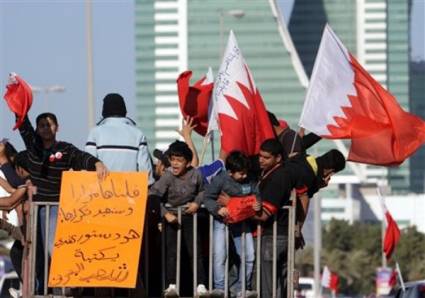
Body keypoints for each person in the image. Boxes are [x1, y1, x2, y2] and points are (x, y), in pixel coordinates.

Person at [253, 139, 345, 297]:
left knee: (272, 281)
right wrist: (297, 229)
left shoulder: (300, 160)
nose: (261, 160)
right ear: (329, 171)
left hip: (276, 233)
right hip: (278, 233)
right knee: (275, 283)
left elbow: (301, 194)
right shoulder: (306, 175)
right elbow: (303, 197)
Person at [15, 113, 107, 256]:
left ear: (57, 127)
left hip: (55, 210)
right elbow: (24, 126)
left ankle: (55, 278)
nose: (46, 128)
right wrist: (19, 108)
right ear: (37, 130)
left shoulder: (65, 149)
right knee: (36, 255)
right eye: (42, 125)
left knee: (54, 250)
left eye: (49, 124)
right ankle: (41, 279)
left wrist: (97, 163)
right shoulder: (33, 150)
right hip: (34, 211)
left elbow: (81, 157)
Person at [149, 140, 208, 297]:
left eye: (179, 160)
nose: (174, 163)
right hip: (171, 217)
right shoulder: (167, 176)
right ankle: (171, 285)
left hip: (189, 216)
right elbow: (153, 195)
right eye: (172, 159)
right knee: (172, 252)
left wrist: (196, 202)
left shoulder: (196, 174)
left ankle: (200, 285)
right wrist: (165, 214)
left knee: (195, 251)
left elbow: (204, 191)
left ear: (188, 163)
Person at [203, 151, 257, 298]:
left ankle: (242, 288)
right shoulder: (220, 179)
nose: (244, 176)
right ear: (230, 172)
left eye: (246, 173)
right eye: (241, 173)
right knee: (220, 254)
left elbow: (256, 196)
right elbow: (207, 197)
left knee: (249, 255)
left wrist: (257, 205)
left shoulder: (250, 180)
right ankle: (219, 288)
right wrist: (217, 209)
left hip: (242, 223)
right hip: (222, 222)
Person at [85, 93, 154, 185]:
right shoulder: (137, 134)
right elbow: (145, 169)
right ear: (124, 111)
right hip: (131, 192)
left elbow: (89, 164)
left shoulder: (95, 133)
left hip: (101, 192)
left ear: (104, 112)